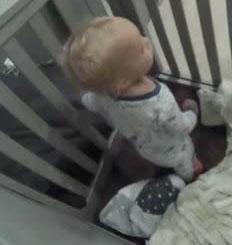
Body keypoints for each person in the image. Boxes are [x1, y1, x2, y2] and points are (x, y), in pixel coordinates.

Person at [61, 16, 203, 181]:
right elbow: (181, 128)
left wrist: (83, 95)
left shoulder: (102, 95)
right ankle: (189, 172)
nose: (147, 41)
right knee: (184, 156)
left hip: (145, 149)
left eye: (141, 36)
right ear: (123, 80)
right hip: (174, 149)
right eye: (141, 49)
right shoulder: (161, 101)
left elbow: (89, 102)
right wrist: (191, 112)